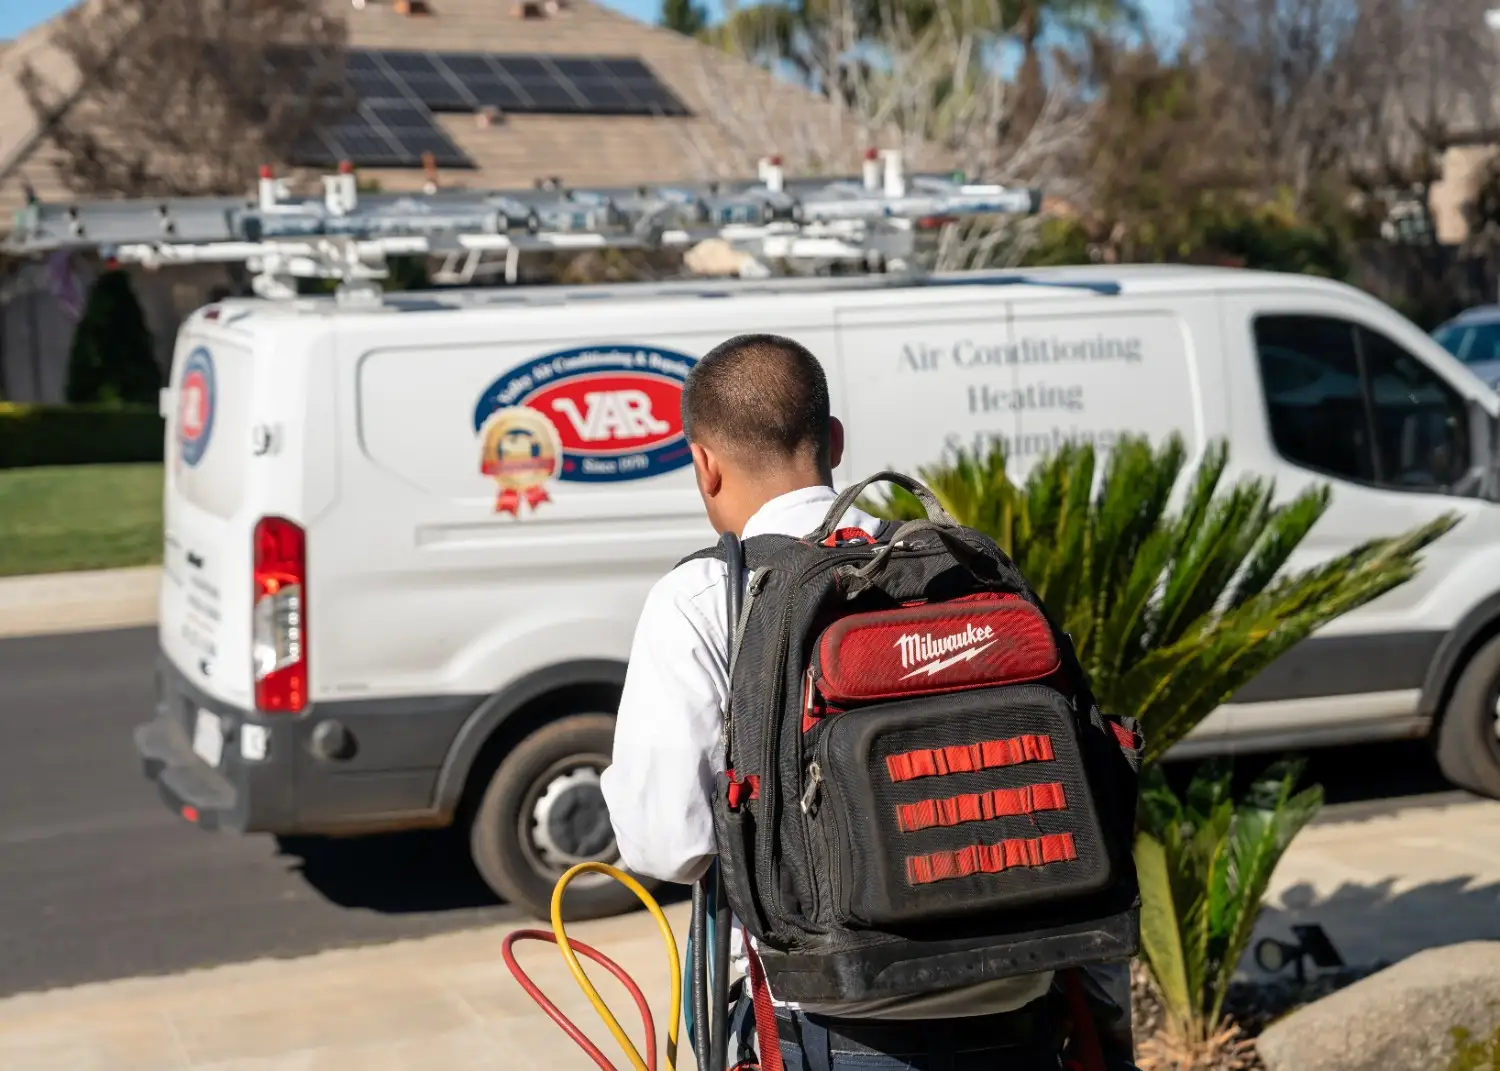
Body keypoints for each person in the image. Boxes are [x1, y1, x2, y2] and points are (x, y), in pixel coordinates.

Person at [599, 333, 1132, 1070]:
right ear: (835, 441)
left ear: (704, 464)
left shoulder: (700, 599)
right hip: (1021, 1003)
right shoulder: (956, 567)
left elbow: (671, 842)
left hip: (838, 1023)